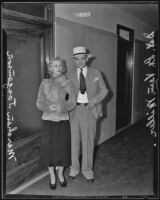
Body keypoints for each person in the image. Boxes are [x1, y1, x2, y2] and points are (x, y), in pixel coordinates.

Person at [68, 46, 108, 183]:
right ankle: (74, 168)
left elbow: (104, 91)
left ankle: (87, 170)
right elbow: (65, 95)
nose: (80, 61)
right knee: (74, 142)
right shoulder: (69, 76)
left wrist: (94, 101)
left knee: (88, 142)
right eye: (77, 59)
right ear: (74, 60)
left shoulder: (96, 73)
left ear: (86, 59)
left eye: (82, 58)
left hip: (90, 110)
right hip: (74, 112)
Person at [36, 57, 76, 190]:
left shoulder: (68, 83)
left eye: (60, 65)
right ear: (50, 68)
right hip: (48, 121)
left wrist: (62, 108)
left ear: (62, 68)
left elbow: (72, 102)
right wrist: (48, 108)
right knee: (49, 150)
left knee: (62, 150)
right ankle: (52, 175)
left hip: (63, 120)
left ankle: (60, 173)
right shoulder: (44, 83)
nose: (58, 68)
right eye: (55, 65)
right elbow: (39, 103)